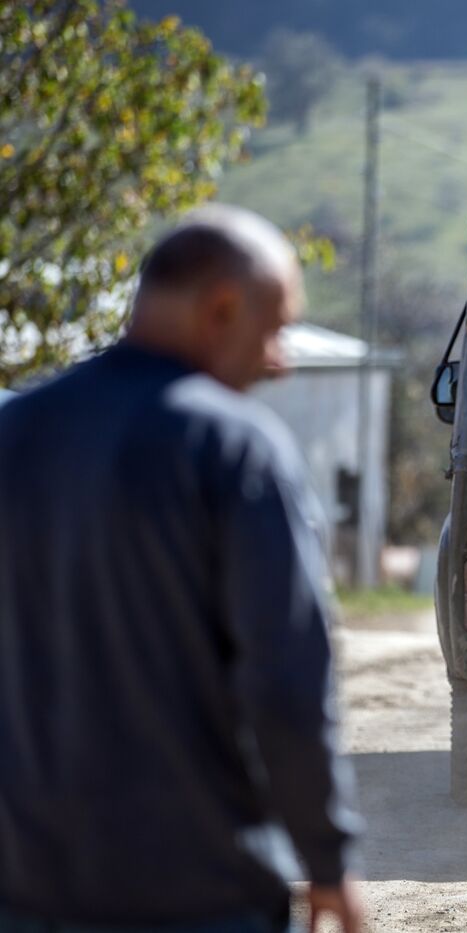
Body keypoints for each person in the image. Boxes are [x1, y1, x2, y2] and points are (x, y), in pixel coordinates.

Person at [0, 206, 362, 932]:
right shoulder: (233, 447)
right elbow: (286, 685)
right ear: (222, 309)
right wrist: (327, 862)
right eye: (275, 328)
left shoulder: (15, 432)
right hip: (199, 894)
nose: (279, 359)